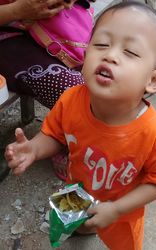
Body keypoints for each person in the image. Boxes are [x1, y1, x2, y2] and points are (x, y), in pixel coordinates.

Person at [5, 1, 156, 249]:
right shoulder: (72, 100)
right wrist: (34, 149)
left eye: (130, 52)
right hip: (75, 190)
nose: (110, 54)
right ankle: (81, 229)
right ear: (85, 56)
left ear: (153, 80)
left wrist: (117, 209)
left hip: (122, 213)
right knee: (74, 225)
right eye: (101, 44)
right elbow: (54, 134)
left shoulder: (154, 134)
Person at [0, 0, 95, 181]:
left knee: (108, 77)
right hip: (8, 36)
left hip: (64, 22)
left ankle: (86, 134)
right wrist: (16, 10)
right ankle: (67, 141)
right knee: (78, 95)